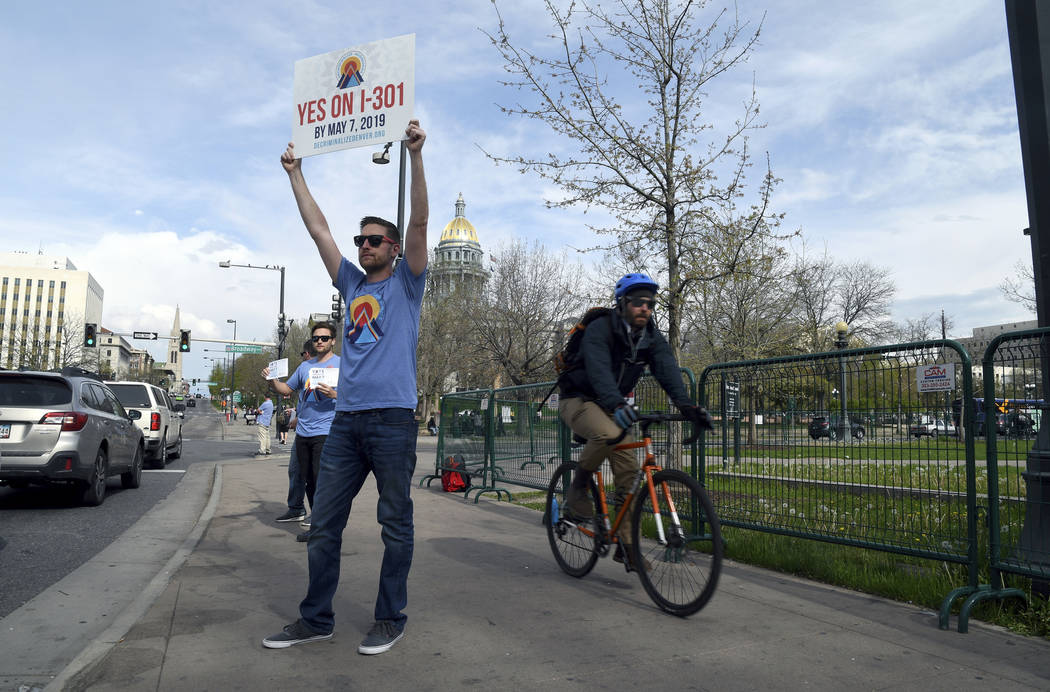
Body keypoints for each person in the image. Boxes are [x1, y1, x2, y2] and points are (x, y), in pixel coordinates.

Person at [263, 119, 428, 655]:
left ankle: (390, 617)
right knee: (325, 525)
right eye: (360, 239)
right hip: (347, 423)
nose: (363, 246)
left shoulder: (408, 282)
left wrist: (416, 155)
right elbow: (319, 232)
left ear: (395, 247)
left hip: (394, 422)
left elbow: (422, 223)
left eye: (374, 239)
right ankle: (317, 619)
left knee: (394, 525)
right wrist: (296, 176)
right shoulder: (352, 282)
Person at [556, 272, 713, 572]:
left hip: (612, 405)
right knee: (608, 433)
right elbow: (600, 370)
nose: (646, 308)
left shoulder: (650, 338)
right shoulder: (601, 329)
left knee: (629, 476)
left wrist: (687, 406)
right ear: (623, 303)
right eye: (639, 302)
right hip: (578, 399)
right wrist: (616, 403)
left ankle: (627, 547)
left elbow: (668, 369)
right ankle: (577, 490)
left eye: (651, 304)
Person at [263, 324, 339, 539]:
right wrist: (272, 380)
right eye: (316, 338)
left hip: (326, 431)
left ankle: (322, 525)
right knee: (307, 478)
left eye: (324, 338)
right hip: (304, 432)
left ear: (333, 340)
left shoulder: (343, 365)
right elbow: (286, 389)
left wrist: (335, 395)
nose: (320, 342)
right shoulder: (306, 367)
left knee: (320, 478)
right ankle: (317, 523)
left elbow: (358, 395)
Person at [275, 340, 319, 526]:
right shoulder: (304, 369)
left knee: (315, 476)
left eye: (302, 354)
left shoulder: (332, 368)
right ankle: (296, 508)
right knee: (297, 470)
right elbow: (294, 392)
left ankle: (318, 515)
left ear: (307, 354)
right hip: (303, 432)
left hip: (322, 433)